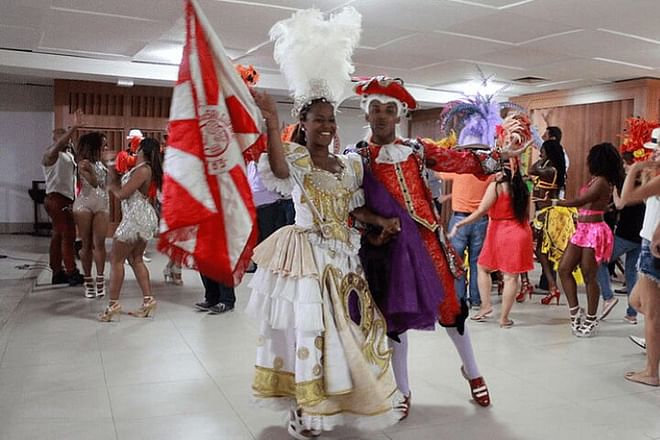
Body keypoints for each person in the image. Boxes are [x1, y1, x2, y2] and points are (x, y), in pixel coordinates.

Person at [246, 8, 400, 438]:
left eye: (332, 119)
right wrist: (271, 120)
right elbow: (275, 168)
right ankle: (305, 406)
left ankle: (338, 399)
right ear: (305, 124)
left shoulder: (347, 164)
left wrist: (381, 221)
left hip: (345, 258)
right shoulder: (293, 158)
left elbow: (353, 209)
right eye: (319, 120)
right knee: (308, 334)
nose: (328, 126)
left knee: (348, 331)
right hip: (307, 257)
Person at [354, 76, 506, 414]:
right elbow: (351, 205)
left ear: (399, 115)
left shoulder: (417, 150)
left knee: (453, 309)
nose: (381, 116)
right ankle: (403, 390)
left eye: (389, 110)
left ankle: (474, 371)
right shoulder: (357, 157)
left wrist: (497, 158)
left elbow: (460, 161)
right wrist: (373, 230)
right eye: (375, 109)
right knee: (395, 319)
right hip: (389, 250)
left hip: (430, 244)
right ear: (366, 115)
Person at [449, 114, 534, 328]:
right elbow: (529, 215)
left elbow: (480, 211)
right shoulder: (523, 187)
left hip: (499, 230)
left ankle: (486, 306)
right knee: (510, 277)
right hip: (520, 230)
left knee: (484, 268)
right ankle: (503, 318)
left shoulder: (496, 185)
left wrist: (460, 223)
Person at [556, 143, 624, 337]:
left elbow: (580, 202)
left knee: (589, 276)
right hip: (583, 229)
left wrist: (556, 202)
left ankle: (591, 318)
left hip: (594, 231)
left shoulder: (602, 181)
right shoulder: (596, 179)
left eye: (591, 157)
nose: (587, 160)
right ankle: (575, 312)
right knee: (564, 269)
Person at [98, 138, 162, 322]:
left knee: (116, 259)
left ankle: (113, 305)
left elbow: (123, 194)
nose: (135, 150)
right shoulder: (143, 169)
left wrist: (112, 187)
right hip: (141, 215)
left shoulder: (143, 170)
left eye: (138, 148)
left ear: (143, 150)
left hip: (135, 217)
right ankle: (148, 301)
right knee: (136, 259)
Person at [619, 142, 660, 387]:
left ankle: (651, 372)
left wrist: (634, 169)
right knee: (636, 302)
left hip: (653, 248)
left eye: (656, 148)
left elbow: (626, 199)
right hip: (650, 243)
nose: (653, 152)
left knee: (652, 316)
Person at [596, 153, 645, 323]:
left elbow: (620, 204)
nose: (623, 167)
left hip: (626, 234)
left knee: (599, 261)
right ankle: (631, 314)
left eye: (625, 164)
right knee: (631, 273)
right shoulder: (645, 184)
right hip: (639, 235)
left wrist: (616, 192)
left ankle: (608, 297)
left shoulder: (627, 184)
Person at [42, 109, 85, 286]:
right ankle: (71, 271)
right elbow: (60, 145)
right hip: (56, 199)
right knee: (67, 235)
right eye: (63, 138)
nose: (66, 140)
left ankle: (57, 271)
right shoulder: (50, 154)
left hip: (66, 198)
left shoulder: (67, 155)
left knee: (59, 235)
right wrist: (73, 128)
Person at [528, 140, 571, 305]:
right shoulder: (552, 168)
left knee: (542, 252)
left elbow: (532, 169)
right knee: (541, 252)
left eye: (543, 151)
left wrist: (542, 157)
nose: (541, 154)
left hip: (548, 215)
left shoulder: (550, 170)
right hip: (542, 213)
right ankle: (552, 287)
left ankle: (552, 286)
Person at [441, 172, 492, 309]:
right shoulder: (487, 174)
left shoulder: (459, 171)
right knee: (477, 262)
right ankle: (476, 299)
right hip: (481, 219)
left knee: (457, 260)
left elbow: (438, 173)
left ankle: (459, 299)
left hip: (460, 218)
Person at [73, 132, 109, 298]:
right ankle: (88, 280)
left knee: (99, 243)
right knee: (86, 244)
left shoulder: (101, 163)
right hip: (84, 203)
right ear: (95, 146)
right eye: (103, 144)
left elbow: (106, 184)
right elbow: (94, 183)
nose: (106, 147)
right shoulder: (83, 163)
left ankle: (100, 278)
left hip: (102, 203)